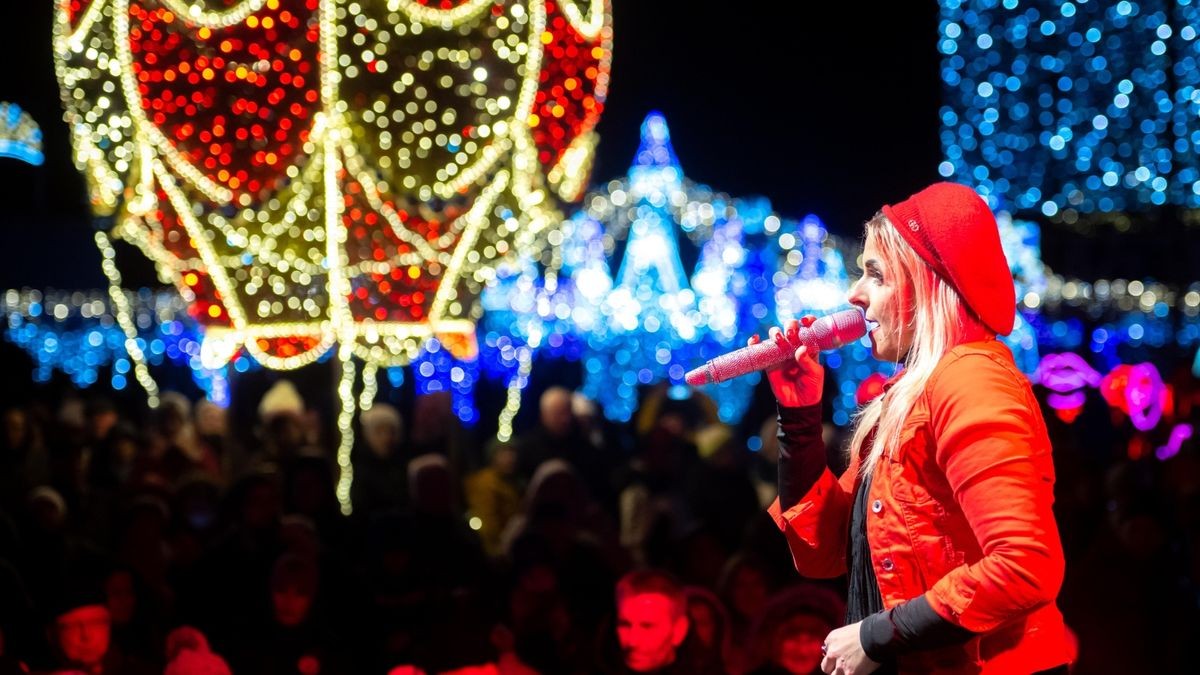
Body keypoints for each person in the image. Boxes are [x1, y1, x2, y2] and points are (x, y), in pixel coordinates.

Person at [756, 183, 1073, 674]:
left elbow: (1025, 567)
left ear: (926, 283)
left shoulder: (969, 379)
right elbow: (821, 555)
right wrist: (800, 417)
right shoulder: (909, 393)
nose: (853, 293)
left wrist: (876, 635)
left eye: (875, 275)